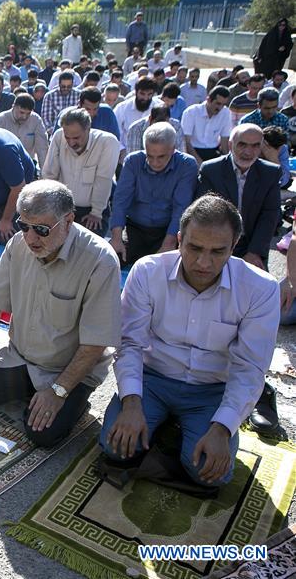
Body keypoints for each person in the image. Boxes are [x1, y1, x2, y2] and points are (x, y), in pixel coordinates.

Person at [101, 195, 278, 488]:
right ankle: (164, 428)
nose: (204, 263)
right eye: (194, 248)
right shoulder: (147, 272)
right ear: (180, 239)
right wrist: (131, 404)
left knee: (212, 474)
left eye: (217, 251)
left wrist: (223, 428)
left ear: (234, 247)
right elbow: (129, 343)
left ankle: (180, 433)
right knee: (116, 448)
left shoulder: (260, 289)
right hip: (154, 379)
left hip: (212, 388)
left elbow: (250, 366)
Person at [0, 181, 121, 447]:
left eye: (41, 230)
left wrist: (59, 390)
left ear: (68, 221)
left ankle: (74, 396)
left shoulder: (100, 260)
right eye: (24, 226)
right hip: (21, 357)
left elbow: (96, 343)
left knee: (42, 434)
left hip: (66, 369)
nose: (31, 238)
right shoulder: (18, 245)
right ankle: (32, 391)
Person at [109, 123, 198, 266]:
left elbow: (181, 208)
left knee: (171, 267)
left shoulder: (186, 165)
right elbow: (121, 200)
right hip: (134, 228)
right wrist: (116, 237)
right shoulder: (133, 161)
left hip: (168, 230)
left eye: (161, 157)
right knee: (112, 259)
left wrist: (169, 243)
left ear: (173, 149)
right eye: (150, 156)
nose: (155, 162)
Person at [195, 124, 281, 270]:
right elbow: (205, 214)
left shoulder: (270, 173)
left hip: (253, 245)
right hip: (217, 243)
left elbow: (270, 215)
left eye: (255, 146)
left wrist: (254, 252)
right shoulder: (211, 170)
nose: (248, 152)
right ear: (230, 144)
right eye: (242, 144)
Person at [41, 109, 119, 235]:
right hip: (62, 207)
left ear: (88, 129)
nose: (71, 142)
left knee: (87, 248)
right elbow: (49, 175)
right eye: (67, 137)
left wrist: (96, 213)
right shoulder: (58, 136)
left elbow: (103, 179)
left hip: (92, 211)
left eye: (76, 137)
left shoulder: (107, 142)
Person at [0, 93, 49, 171]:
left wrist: (45, 175)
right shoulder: (0, 120)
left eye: (28, 113)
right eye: (21, 112)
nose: (24, 117)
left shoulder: (36, 120)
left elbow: (42, 149)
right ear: (13, 106)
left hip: (28, 165)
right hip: (4, 165)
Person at [181, 85, 231, 165]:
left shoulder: (226, 113)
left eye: (223, 104)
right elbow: (187, 142)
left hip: (214, 152)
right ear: (208, 100)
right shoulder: (191, 112)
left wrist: (228, 163)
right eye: (218, 104)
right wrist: (200, 163)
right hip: (193, 151)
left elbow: (224, 141)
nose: (220, 108)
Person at [40, 71, 78, 135]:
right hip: (55, 133)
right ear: (59, 84)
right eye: (63, 86)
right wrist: (56, 133)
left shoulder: (79, 95)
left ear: (72, 85)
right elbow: (46, 119)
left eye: (69, 86)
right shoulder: (50, 96)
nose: (66, 88)